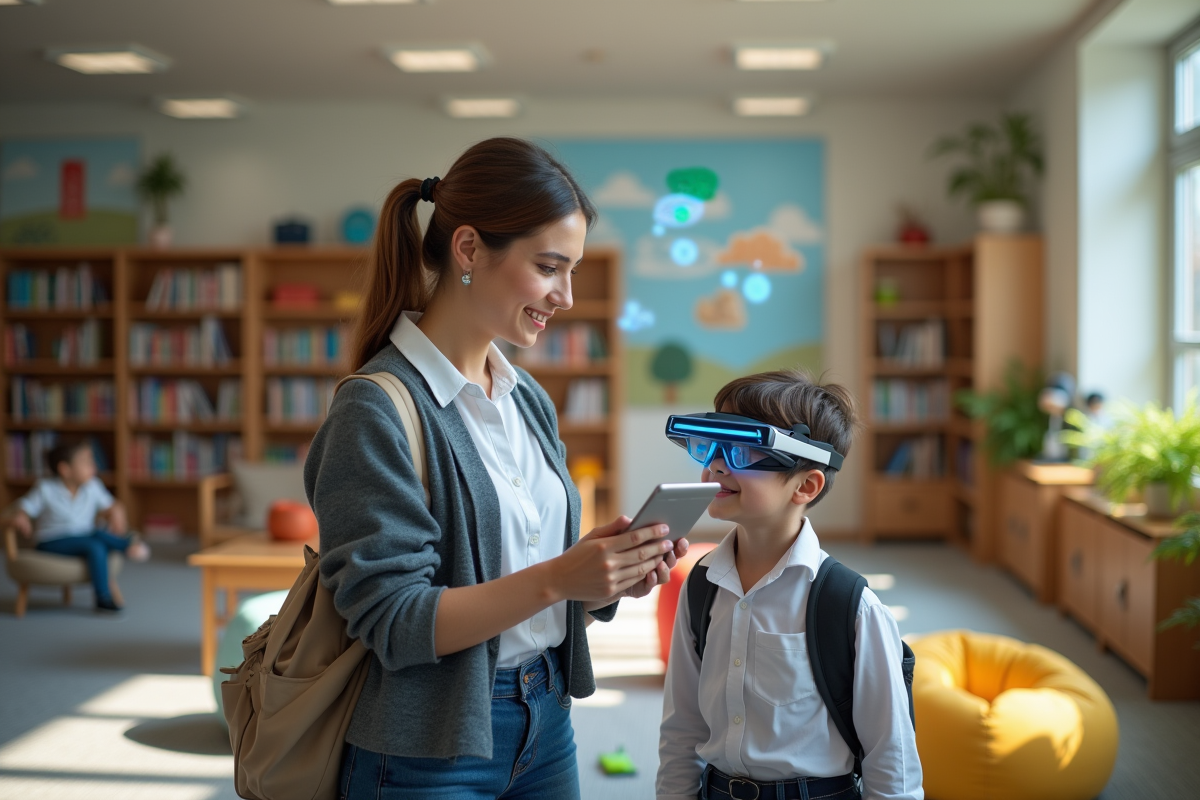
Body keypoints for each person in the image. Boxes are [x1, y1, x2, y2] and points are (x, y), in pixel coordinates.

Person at [305, 137, 689, 799]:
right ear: (469, 250)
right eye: (549, 267)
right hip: (427, 749)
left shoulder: (526, 399)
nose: (566, 295)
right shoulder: (375, 410)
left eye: (572, 270)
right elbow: (396, 621)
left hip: (546, 722)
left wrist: (597, 580)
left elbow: (525, 583)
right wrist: (555, 578)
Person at [657, 369, 923, 800]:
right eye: (712, 445)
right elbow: (681, 727)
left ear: (806, 485)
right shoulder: (701, 584)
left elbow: (892, 756)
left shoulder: (852, 608)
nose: (717, 464)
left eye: (742, 449)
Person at [5, 439, 147, 612]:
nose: (93, 466)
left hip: (84, 537)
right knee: (95, 544)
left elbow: (111, 505)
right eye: (86, 462)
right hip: (52, 541)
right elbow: (25, 507)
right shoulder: (45, 488)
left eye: (92, 461)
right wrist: (21, 517)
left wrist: (117, 511)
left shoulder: (93, 486)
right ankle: (120, 560)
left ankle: (125, 546)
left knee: (96, 537)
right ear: (65, 469)